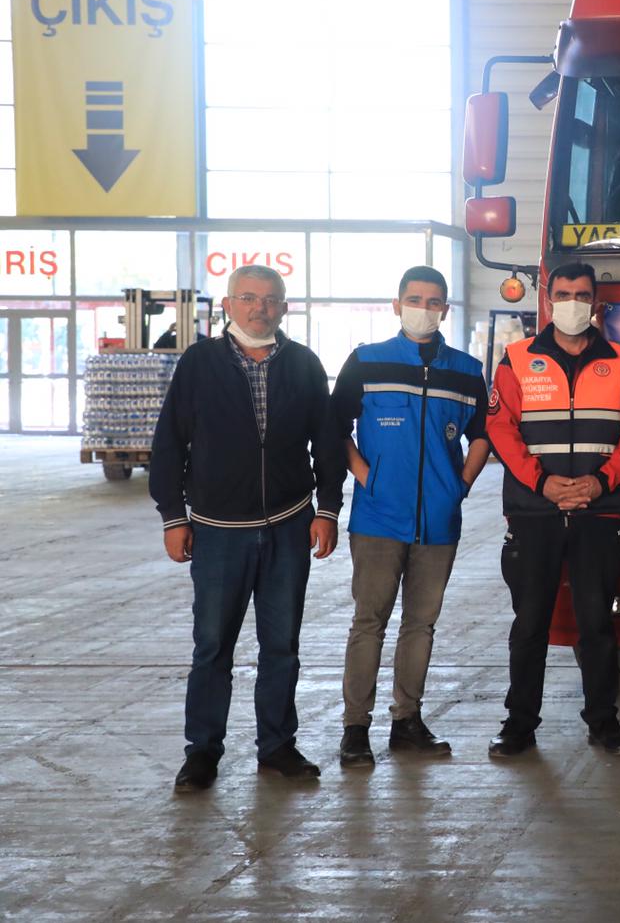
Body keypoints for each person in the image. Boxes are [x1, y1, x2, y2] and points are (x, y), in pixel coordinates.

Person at [150, 265, 343, 792]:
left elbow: (326, 443)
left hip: (288, 524)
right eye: (249, 297)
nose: (261, 308)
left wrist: (327, 509)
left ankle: (277, 745)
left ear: (284, 307)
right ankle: (202, 752)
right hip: (218, 532)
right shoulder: (199, 363)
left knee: (281, 644)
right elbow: (170, 443)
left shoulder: (303, 364)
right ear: (229, 305)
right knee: (212, 646)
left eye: (271, 299)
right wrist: (173, 516)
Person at [485, 262, 620, 758]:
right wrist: (543, 483)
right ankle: (519, 724)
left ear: (595, 303)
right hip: (534, 511)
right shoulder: (517, 359)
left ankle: (604, 722)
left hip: (598, 511)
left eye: (582, 295)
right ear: (548, 300)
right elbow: (500, 428)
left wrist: (601, 481)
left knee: (596, 625)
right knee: (530, 624)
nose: (572, 303)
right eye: (563, 294)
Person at [326, 266, 491, 768]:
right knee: (368, 622)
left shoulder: (466, 370)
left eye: (434, 301)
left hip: (438, 522)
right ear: (396, 305)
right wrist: (366, 476)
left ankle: (407, 722)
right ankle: (356, 728)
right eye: (415, 299)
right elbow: (334, 426)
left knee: (421, 625)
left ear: (445, 309)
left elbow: (483, 434)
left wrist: (460, 486)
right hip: (378, 519)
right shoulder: (366, 362)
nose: (424, 308)